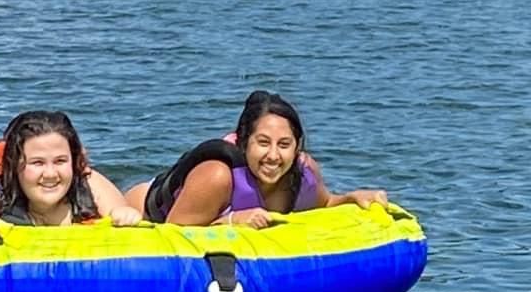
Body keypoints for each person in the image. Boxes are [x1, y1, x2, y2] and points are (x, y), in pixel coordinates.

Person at [124, 90, 387, 228]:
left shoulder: (303, 172)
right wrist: (231, 221)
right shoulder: (218, 176)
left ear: (296, 147)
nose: (273, 156)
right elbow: (174, 232)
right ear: (243, 142)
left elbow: (325, 203)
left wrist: (352, 197)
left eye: (284, 145)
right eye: (263, 143)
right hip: (144, 212)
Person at [0, 110, 141, 251]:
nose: (51, 174)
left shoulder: (90, 185)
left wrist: (125, 215)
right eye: (37, 163)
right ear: (15, 165)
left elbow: (123, 217)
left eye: (60, 161)